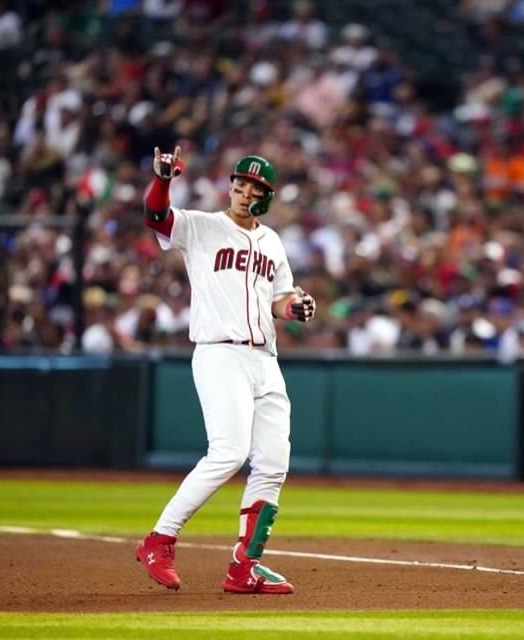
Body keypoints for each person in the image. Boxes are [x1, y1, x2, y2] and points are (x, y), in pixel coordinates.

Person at [135, 146, 316, 594]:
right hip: (220, 353)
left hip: (265, 360)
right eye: (239, 182)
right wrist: (163, 180)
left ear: (265, 196)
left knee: (273, 463)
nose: (242, 190)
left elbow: (280, 297)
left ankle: (245, 567)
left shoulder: (271, 242)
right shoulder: (203, 227)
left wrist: (294, 307)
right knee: (229, 453)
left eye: (253, 186)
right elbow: (157, 217)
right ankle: (159, 539)